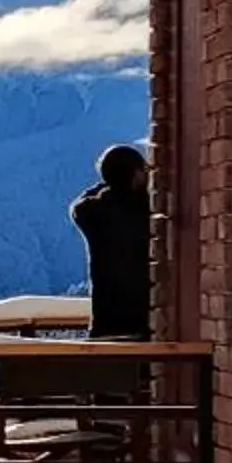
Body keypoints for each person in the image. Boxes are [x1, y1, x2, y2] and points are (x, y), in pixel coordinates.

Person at [70, 145, 151, 339]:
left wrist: (109, 182)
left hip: (104, 325)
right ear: (136, 174)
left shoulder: (93, 212)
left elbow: (77, 206)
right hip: (142, 325)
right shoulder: (148, 210)